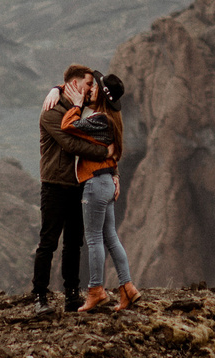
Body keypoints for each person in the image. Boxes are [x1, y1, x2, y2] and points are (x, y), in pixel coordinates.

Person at [31, 65, 110, 315]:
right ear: (75, 85)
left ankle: (71, 296)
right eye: (87, 85)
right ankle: (39, 297)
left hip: (77, 185)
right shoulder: (52, 113)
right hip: (55, 185)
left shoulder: (74, 110)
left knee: (74, 243)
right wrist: (104, 154)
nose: (90, 90)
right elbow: (71, 143)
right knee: (49, 243)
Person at [64, 71, 138, 312]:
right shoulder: (112, 119)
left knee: (94, 238)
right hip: (106, 182)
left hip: (94, 184)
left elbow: (68, 125)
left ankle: (96, 291)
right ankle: (127, 289)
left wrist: (76, 104)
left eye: (96, 87)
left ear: (103, 95)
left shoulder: (100, 119)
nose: (92, 89)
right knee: (111, 238)